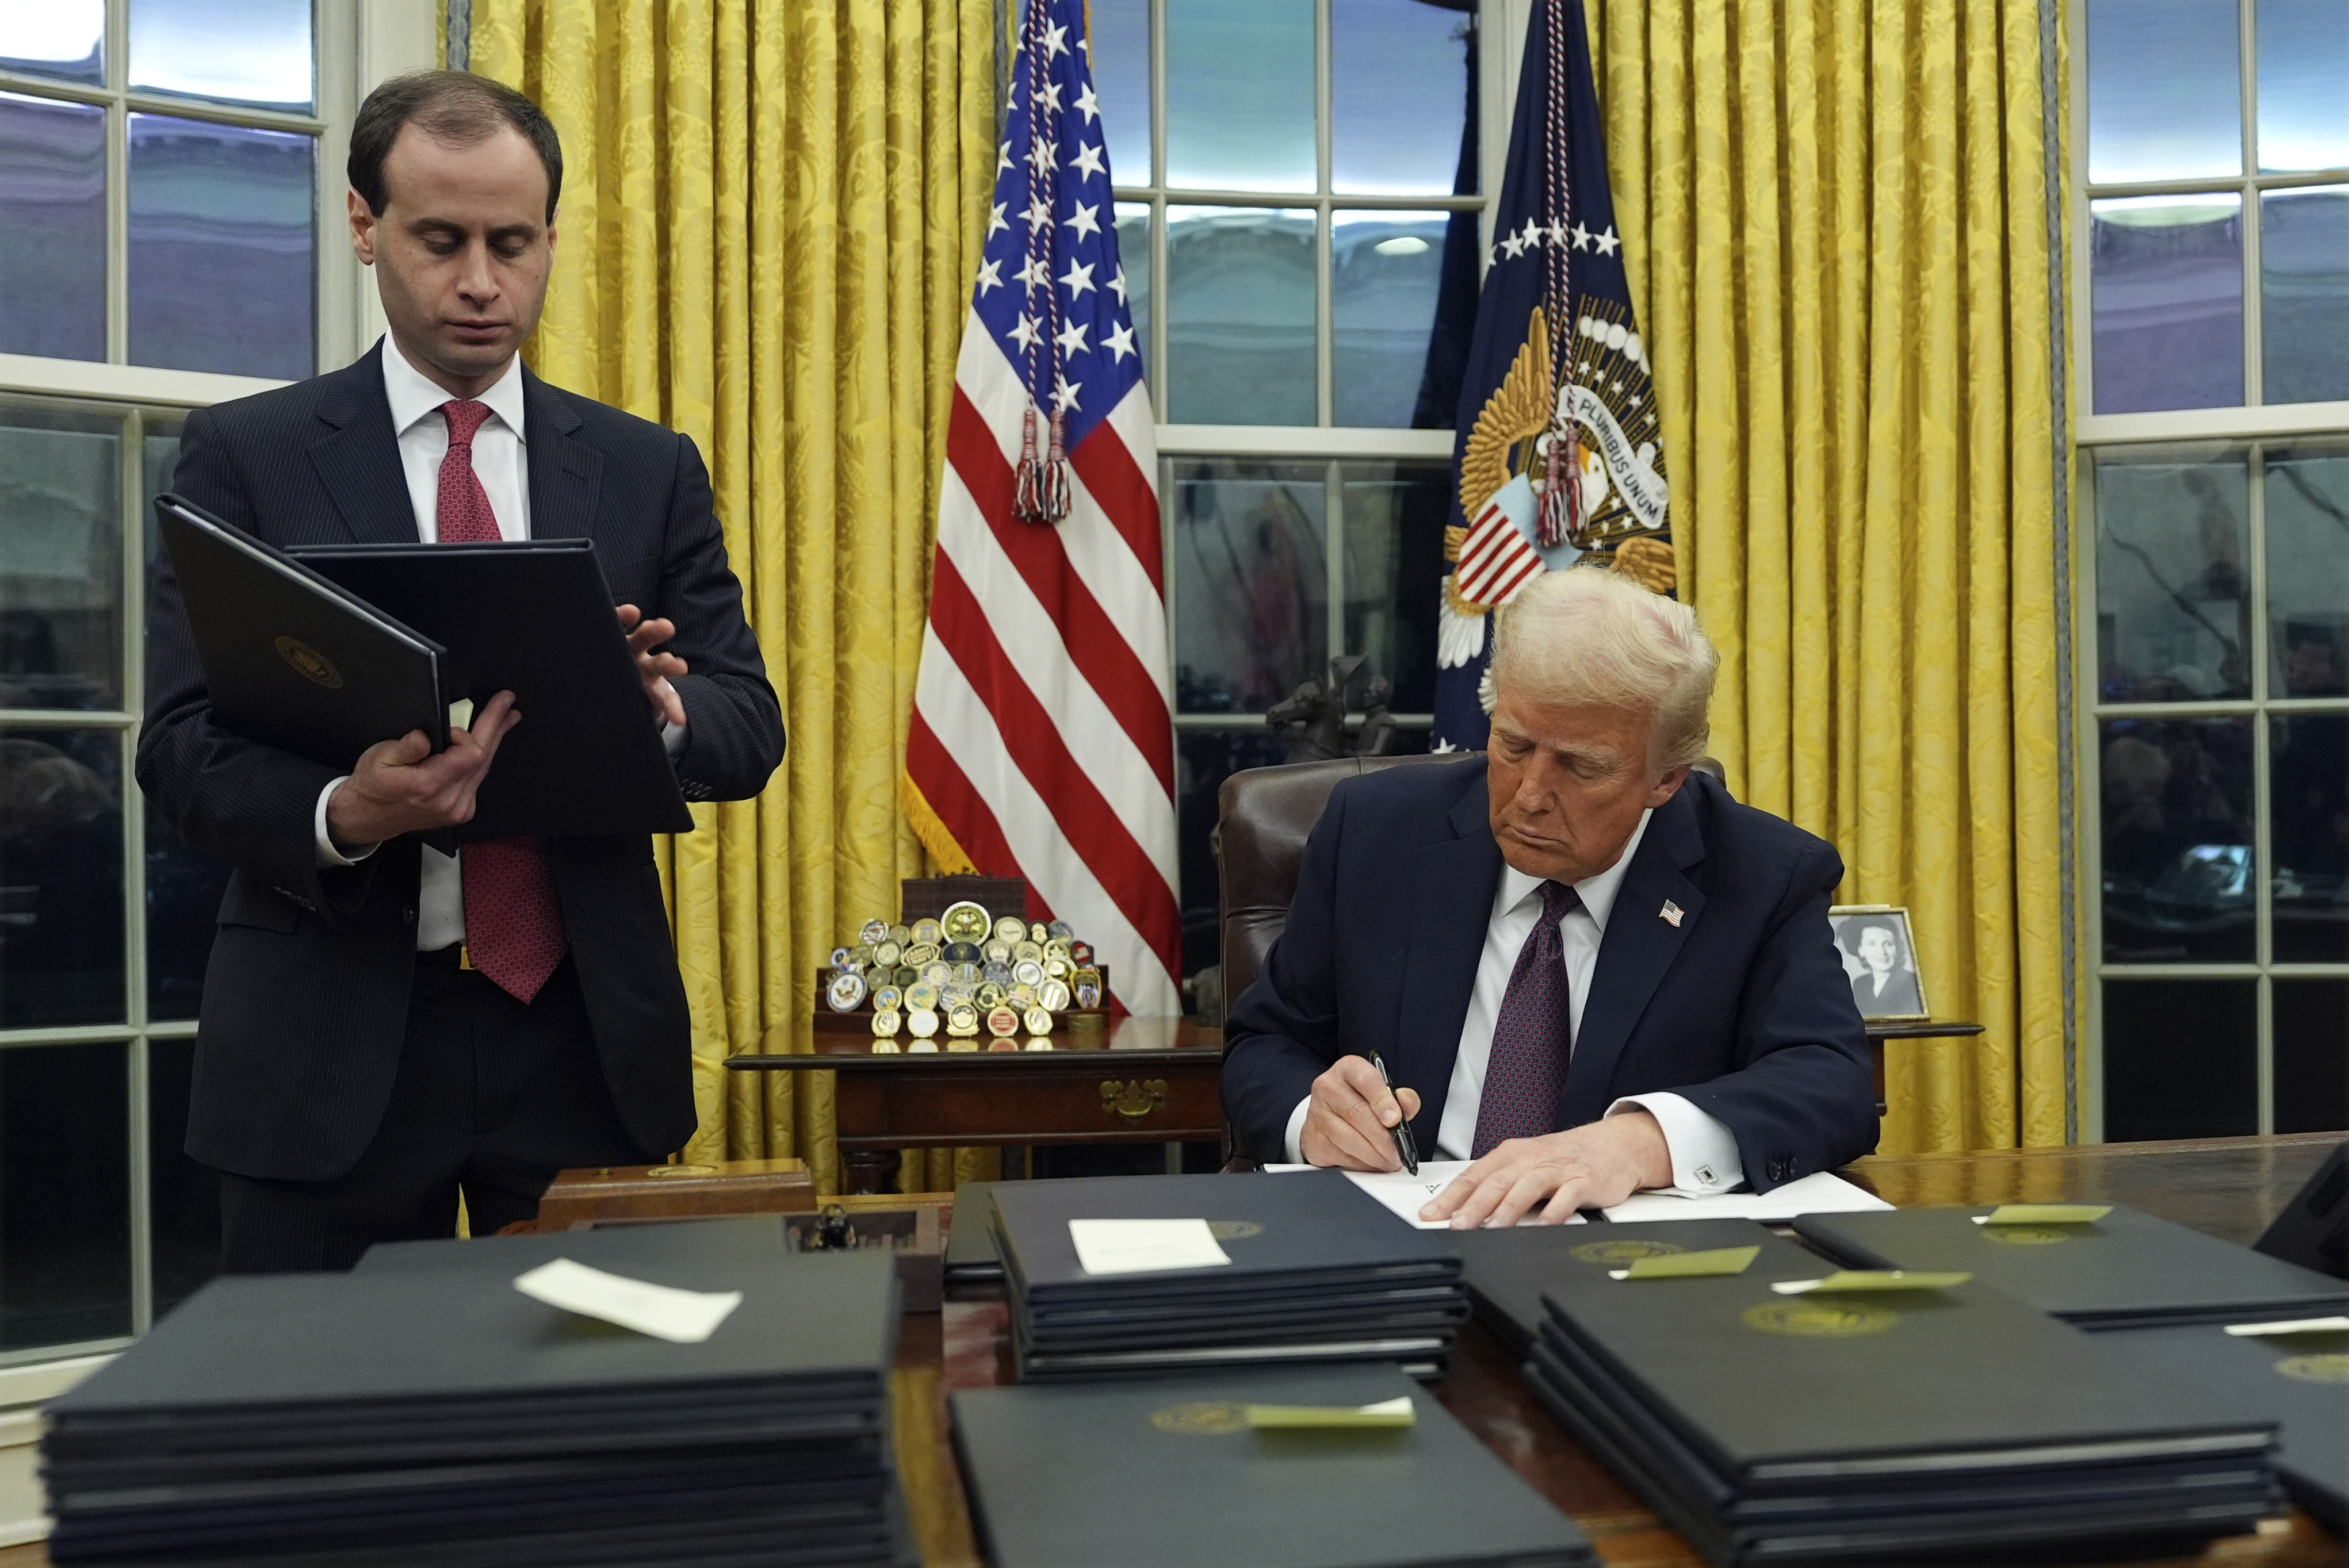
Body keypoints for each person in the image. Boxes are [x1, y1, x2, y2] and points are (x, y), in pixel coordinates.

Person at [137, 71, 783, 1272]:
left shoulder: (647, 468)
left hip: (584, 1042)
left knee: (581, 1430)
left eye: (513, 242)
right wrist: (344, 812)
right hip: (326, 1041)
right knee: (329, 1441)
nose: (482, 282)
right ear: (364, 225)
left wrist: (659, 717)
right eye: (442, 240)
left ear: (550, 238)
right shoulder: (247, 456)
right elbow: (178, 749)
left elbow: (750, 720)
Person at [1220, 567, 1876, 1227]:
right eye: (1513, 745)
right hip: (1402, 1231)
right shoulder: (1376, 833)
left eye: (1581, 766)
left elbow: (1832, 1083)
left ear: (1666, 779)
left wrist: (1640, 1143)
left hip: (1623, 1265)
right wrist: (1314, 1119)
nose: (1529, 795)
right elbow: (1264, 1043)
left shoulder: (1760, 873)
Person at [1841, 917, 1922, 1017]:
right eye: (1872, 944)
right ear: (1861, 950)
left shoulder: (1912, 982)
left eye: (1888, 944)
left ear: (1897, 948)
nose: (1882, 952)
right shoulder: (1860, 984)